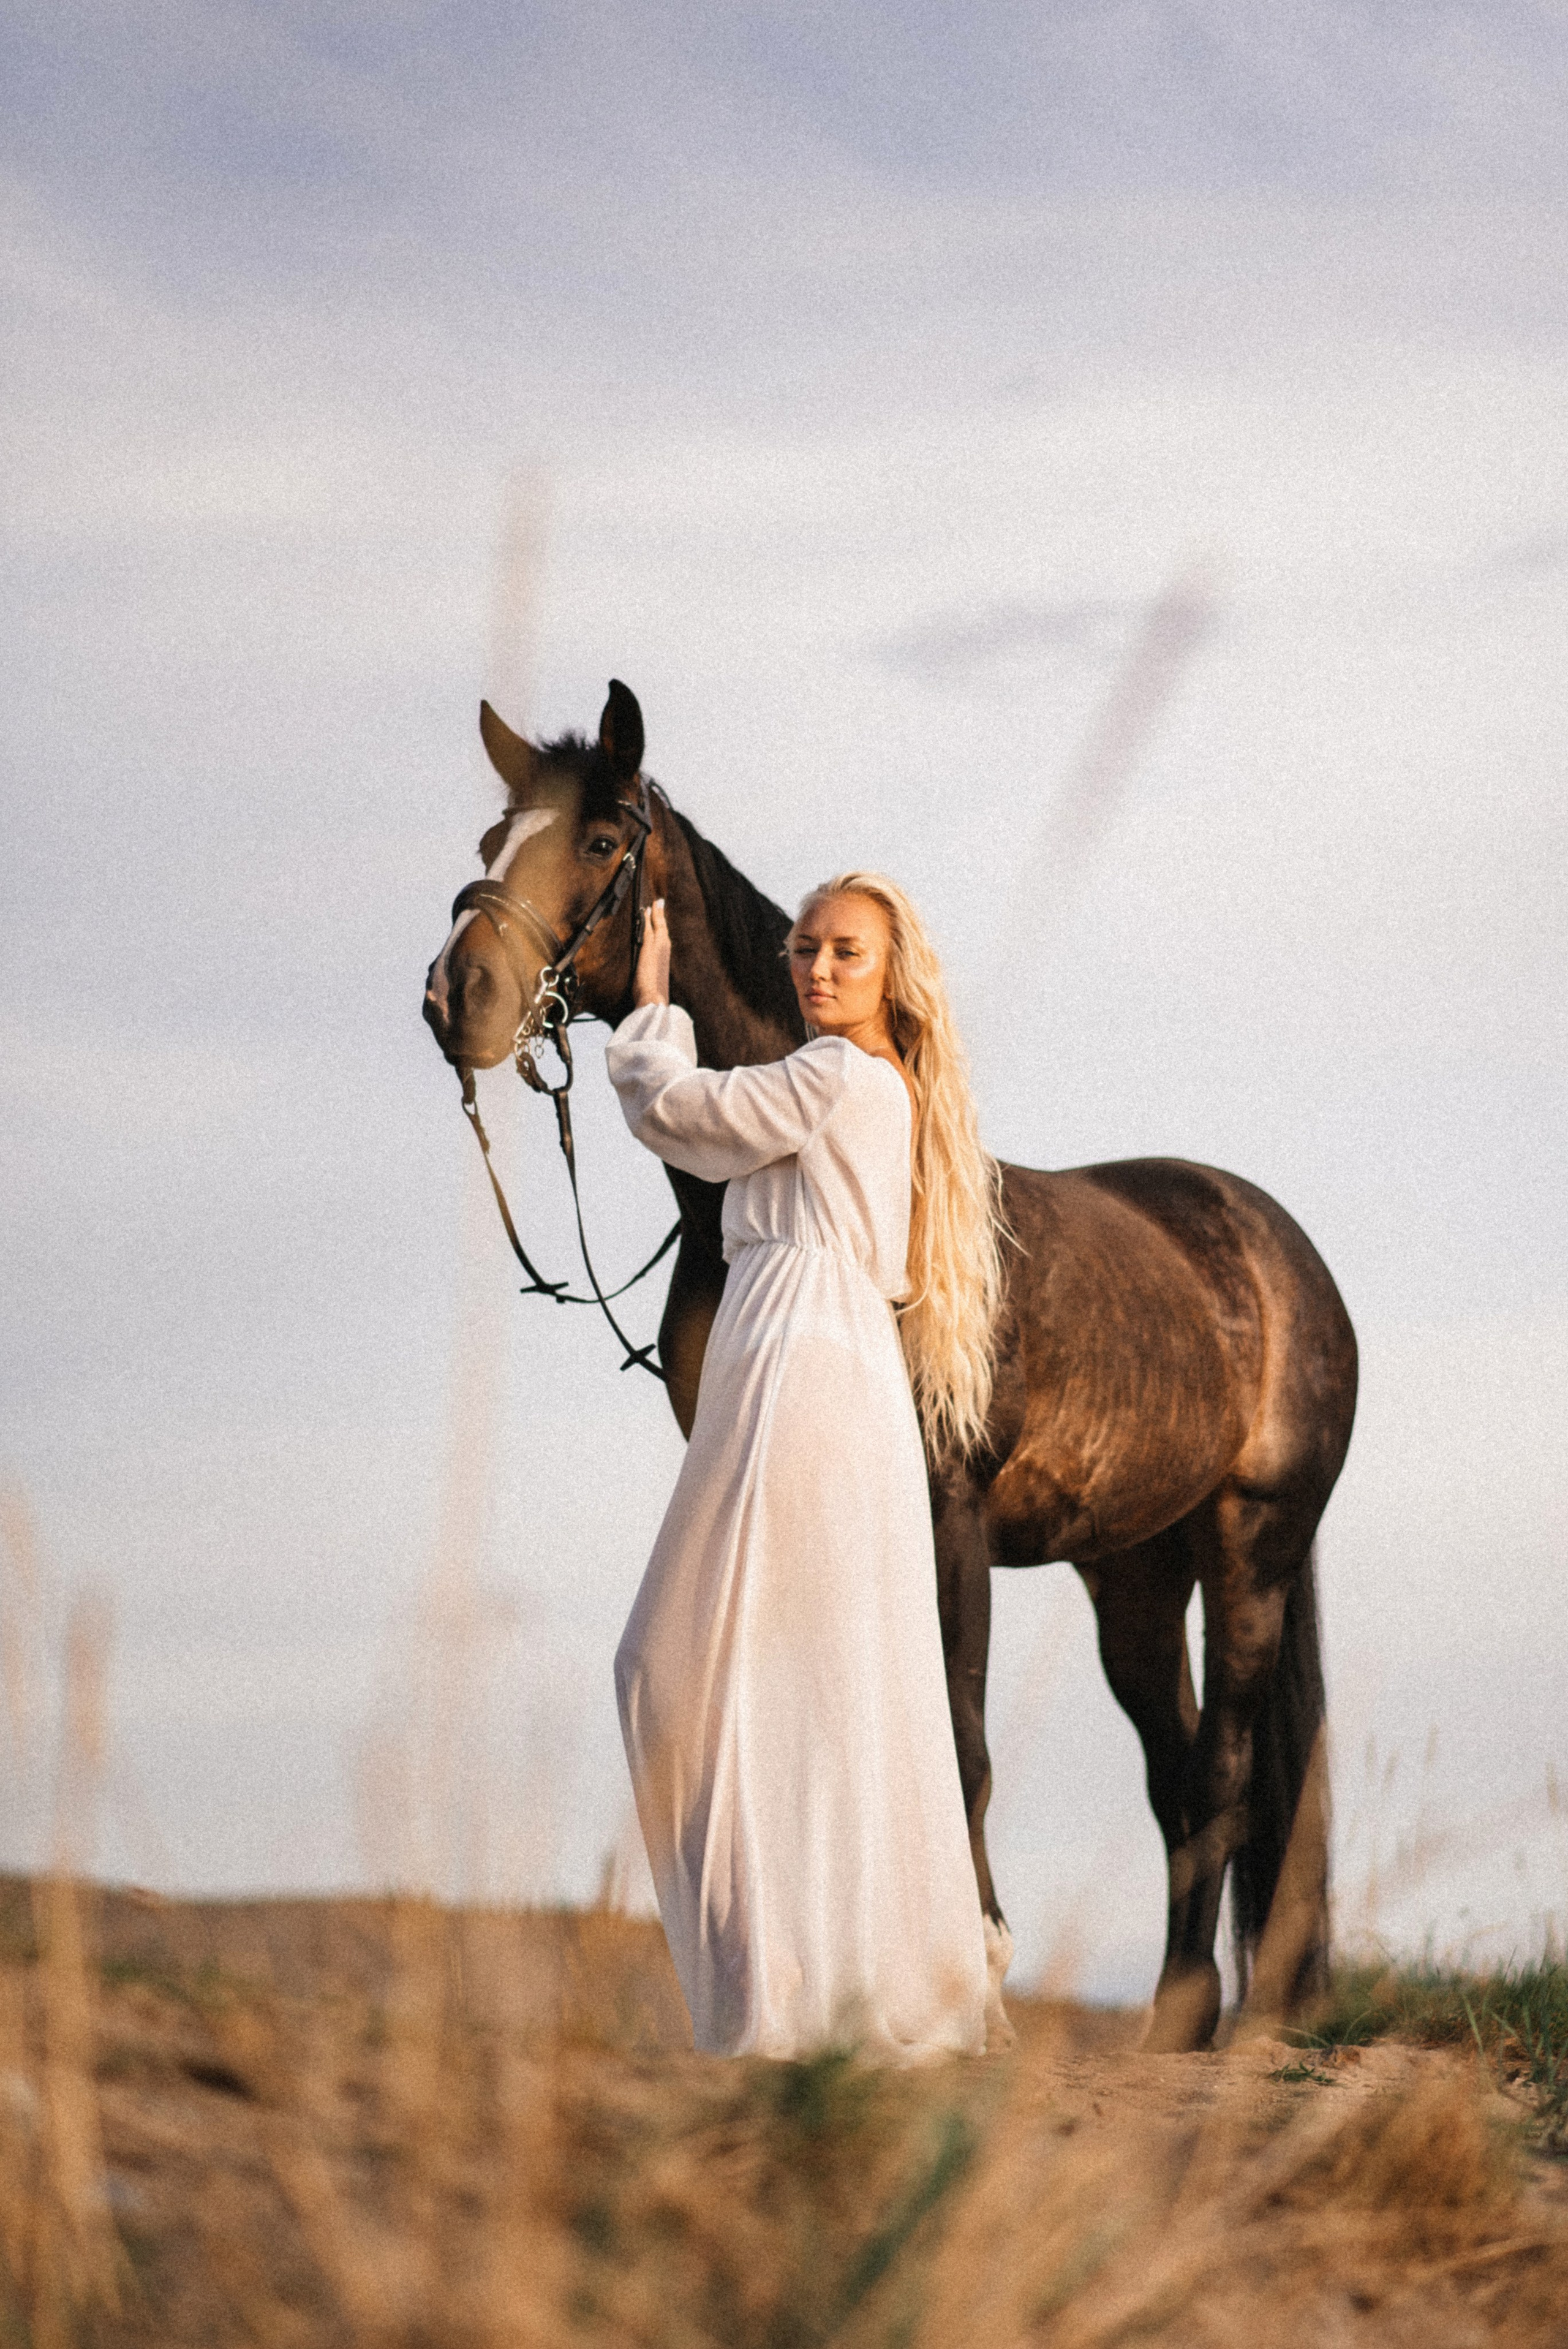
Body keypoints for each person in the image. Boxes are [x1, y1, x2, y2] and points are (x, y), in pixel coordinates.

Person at [604, 872, 1005, 2060]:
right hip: (824, 1369)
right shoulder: (874, 1084)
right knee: (818, 1694)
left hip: (797, 1369)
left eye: (845, 953)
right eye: (802, 949)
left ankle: (765, 2006)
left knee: (663, 1670)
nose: (816, 970)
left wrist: (649, 1005)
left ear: (891, 970)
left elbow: (676, 1112)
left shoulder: (831, 1076)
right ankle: (820, 1994)